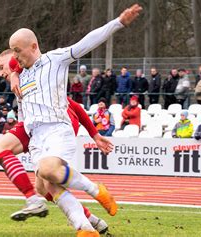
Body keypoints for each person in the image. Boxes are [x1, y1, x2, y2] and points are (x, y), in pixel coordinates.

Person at [8, 5, 140, 235]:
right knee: (45, 186)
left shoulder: (54, 60)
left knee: (49, 171)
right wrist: (13, 74)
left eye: (18, 51)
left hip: (57, 129)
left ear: (33, 46)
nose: (15, 56)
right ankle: (86, 228)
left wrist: (118, 22)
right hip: (37, 139)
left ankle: (95, 190)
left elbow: (87, 42)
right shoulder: (21, 76)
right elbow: (22, 111)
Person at [0, 51, 113, 234]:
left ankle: (34, 200)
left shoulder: (31, 73)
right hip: (39, 128)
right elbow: (75, 107)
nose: (1, 73)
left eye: (1, 67)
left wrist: (95, 134)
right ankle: (89, 221)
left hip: (51, 126)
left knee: (0, 150)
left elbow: (75, 107)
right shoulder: (21, 80)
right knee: (44, 186)